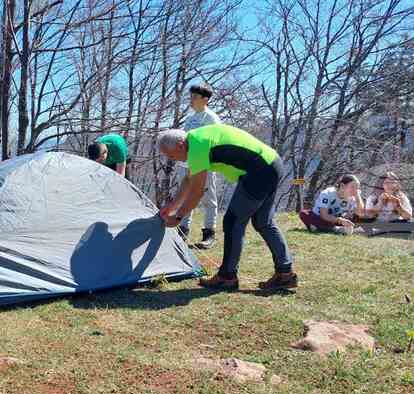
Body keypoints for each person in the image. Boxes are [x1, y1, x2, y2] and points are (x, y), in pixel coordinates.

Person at [157, 124, 297, 291]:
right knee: (263, 222)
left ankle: (227, 277)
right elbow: (188, 179)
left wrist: (179, 216)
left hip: (259, 171)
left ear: (180, 145)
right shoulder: (195, 140)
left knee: (233, 221)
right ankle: (285, 274)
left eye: (172, 155)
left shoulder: (196, 147)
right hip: (272, 163)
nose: (173, 160)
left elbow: (197, 191)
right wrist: (171, 207)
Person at [174, 84, 222, 249]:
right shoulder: (190, 118)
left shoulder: (211, 118)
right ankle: (182, 231)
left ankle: (209, 234)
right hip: (186, 164)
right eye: (191, 96)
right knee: (185, 196)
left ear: (205, 99)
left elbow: (215, 142)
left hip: (204, 164)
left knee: (208, 198)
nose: (191, 100)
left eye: (195, 97)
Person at [299, 174, 366, 234]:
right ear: (342, 186)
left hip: (337, 220)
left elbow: (360, 213)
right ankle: (335, 229)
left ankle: (319, 228)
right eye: (352, 187)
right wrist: (339, 220)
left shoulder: (352, 196)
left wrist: (358, 197)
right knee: (304, 213)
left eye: (357, 188)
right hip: (321, 218)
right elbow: (324, 215)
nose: (355, 191)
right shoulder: (327, 193)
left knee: (357, 218)